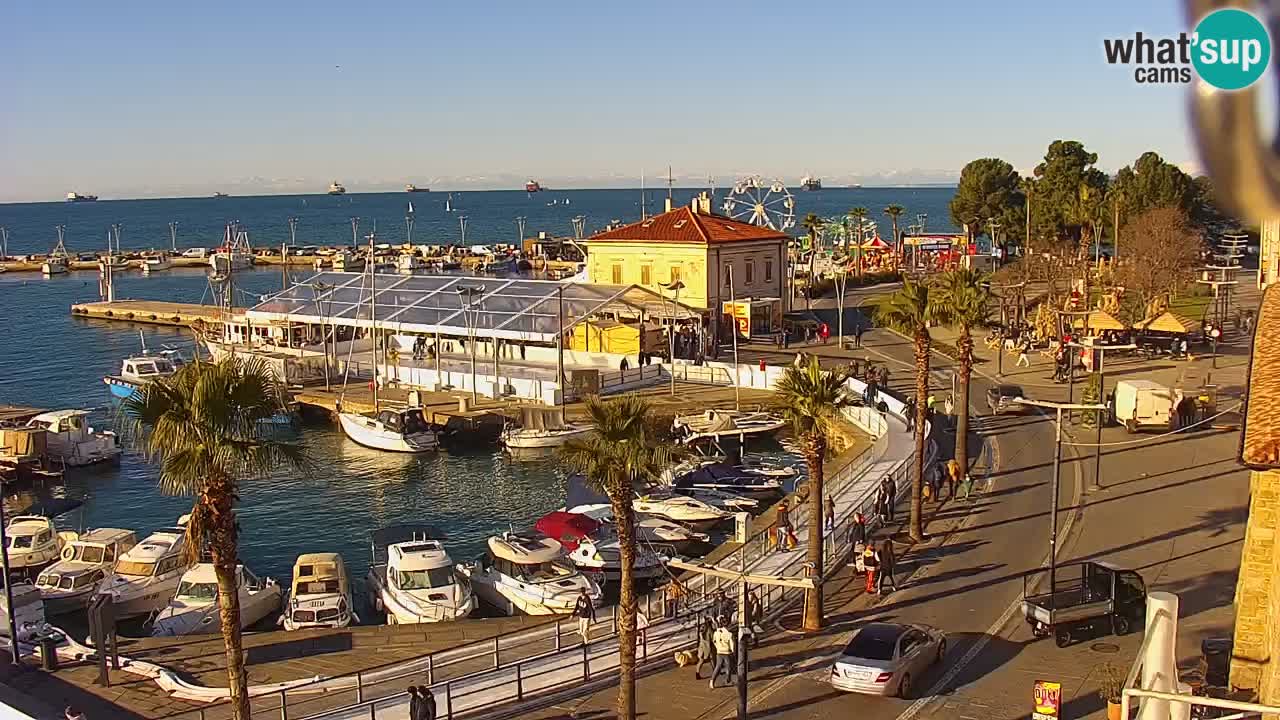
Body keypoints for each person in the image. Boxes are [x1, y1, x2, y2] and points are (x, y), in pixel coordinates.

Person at [711, 621, 737, 688]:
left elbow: (714, 641)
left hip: (719, 651)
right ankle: (728, 681)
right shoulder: (729, 634)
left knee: (718, 667)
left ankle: (712, 681)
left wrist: (717, 647)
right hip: (727, 652)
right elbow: (732, 645)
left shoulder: (716, 633)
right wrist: (733, 652)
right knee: (728, 667)